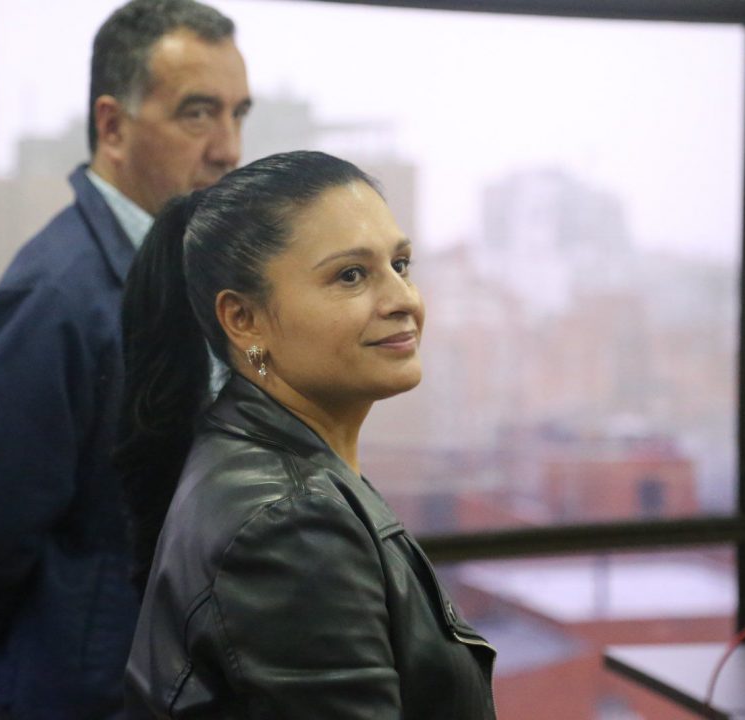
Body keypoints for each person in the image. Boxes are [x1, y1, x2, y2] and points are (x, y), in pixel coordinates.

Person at [0, 1, 251, 717]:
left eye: (238, 114)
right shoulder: (56, 295)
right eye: (198, 113)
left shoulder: (190, 274)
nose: (228, 147)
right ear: (112, 126)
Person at [117, 150, 497, 719]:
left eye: (400, 264)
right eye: (351, 275)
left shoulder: (265, 457)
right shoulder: (290, 522)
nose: (402, 300)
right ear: (244, 320)